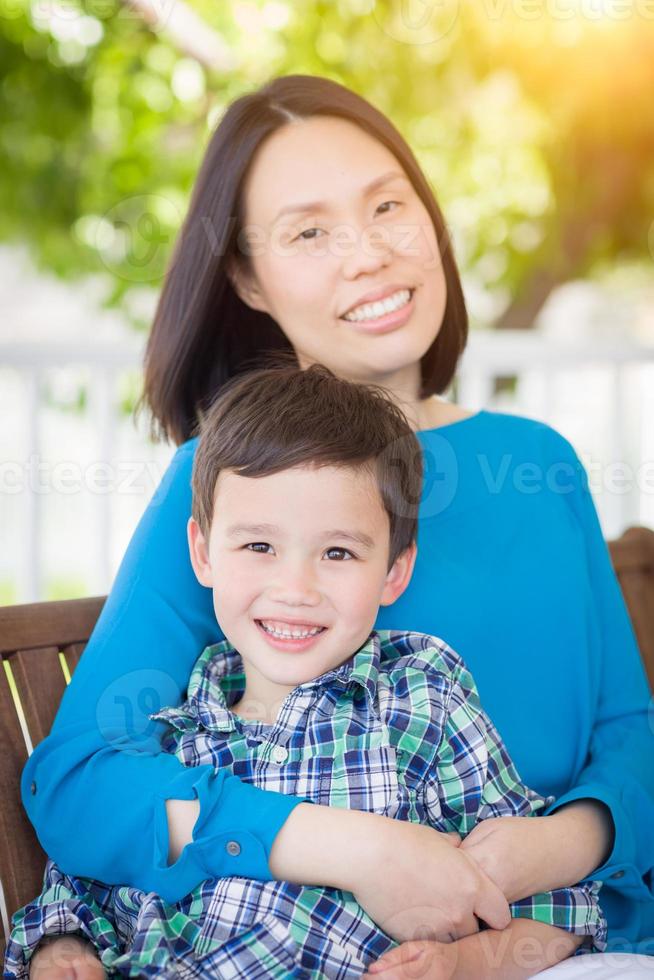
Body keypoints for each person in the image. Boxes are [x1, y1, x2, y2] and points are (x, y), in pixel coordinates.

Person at [16, 74, 653, 978]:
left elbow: (632, 733)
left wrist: (552, 850)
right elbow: (84, 780)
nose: (368, 254)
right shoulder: (228, 485)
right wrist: (361, 849)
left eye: (388, 206)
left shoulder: (538, 461)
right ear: (246, 277)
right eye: (309, 231)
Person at [7, 362, 607, 980]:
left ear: (395, 572)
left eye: (338, 552)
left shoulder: (420, 698)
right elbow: (85, 885)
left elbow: (558, 906)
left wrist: (464, 965)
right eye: (259, 547)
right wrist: (63, 949)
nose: (295, 588)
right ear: (202, 553)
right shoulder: (173, 731)